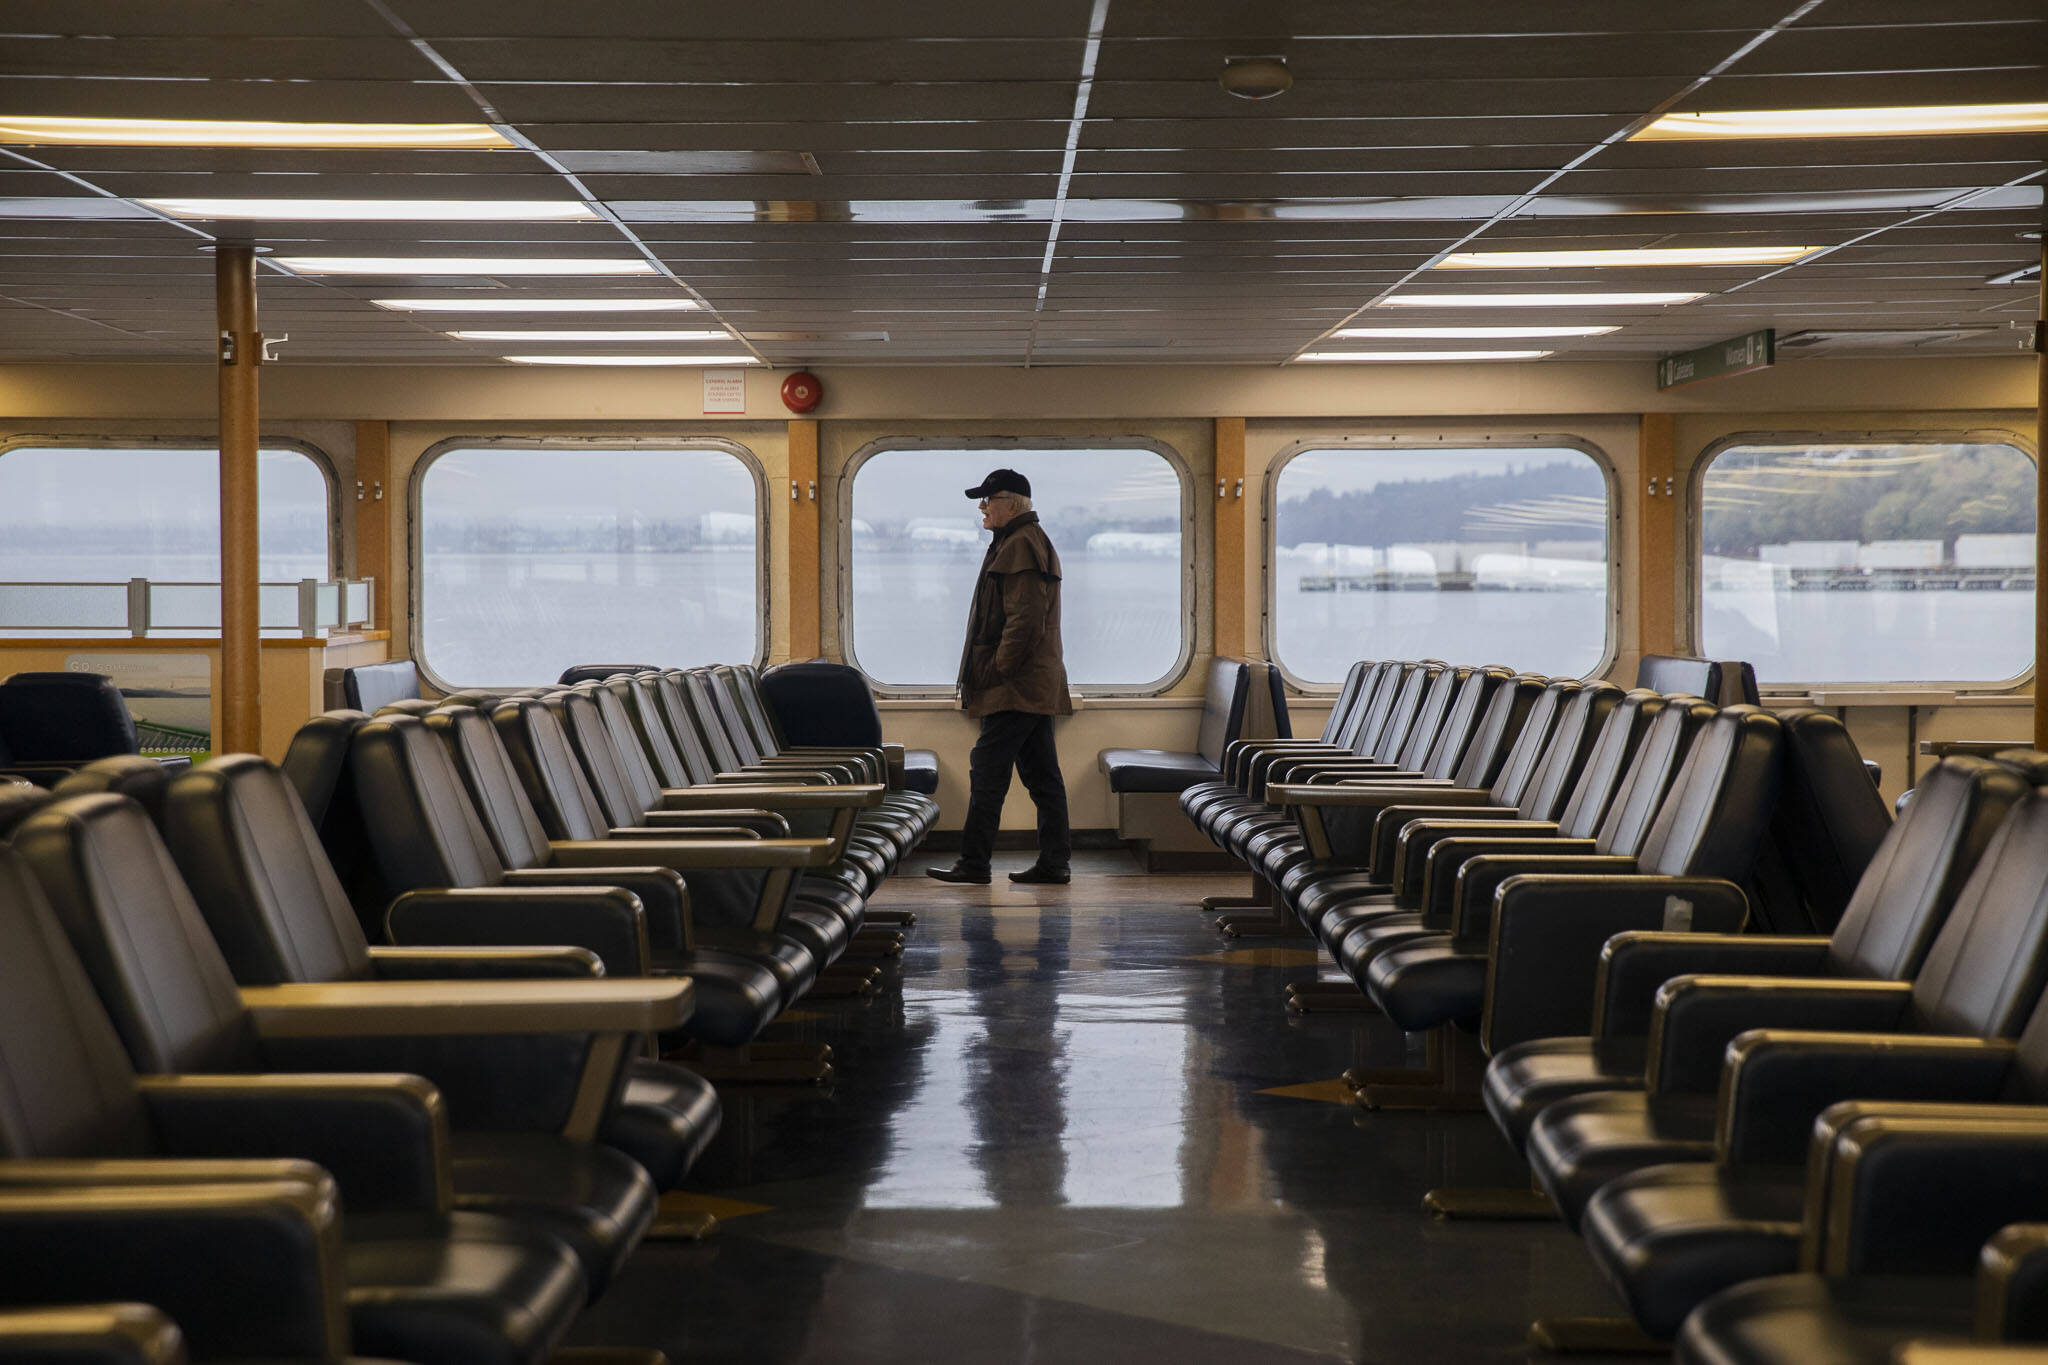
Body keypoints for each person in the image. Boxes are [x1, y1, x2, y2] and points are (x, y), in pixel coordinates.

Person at [926, 468, 1073, 886]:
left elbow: (1024, 623)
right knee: (1042, 776)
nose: (982, 508)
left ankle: (974, 864)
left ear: (1012, 504)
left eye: (988, 500)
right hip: (1029, 683)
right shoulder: (1017, 542)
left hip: (1017, 686)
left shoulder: (1022, 545)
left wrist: (995, 672)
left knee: (987, 770)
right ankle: (1055, 863)